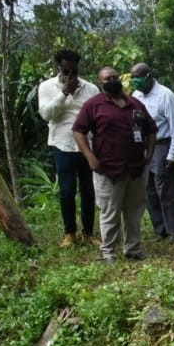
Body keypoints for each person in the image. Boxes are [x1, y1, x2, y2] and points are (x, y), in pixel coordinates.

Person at [72, 66, 157, 263]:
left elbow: (151, 129)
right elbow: (78, 131)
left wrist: (149, 154)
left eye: (115, 77)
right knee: (110, 211)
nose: (113, 80)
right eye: (107, 79)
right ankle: (108, 251)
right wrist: (90, 157)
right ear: (100, 84)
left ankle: (133, 248)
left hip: (136, 167)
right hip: (108, 169)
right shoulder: (93, 105)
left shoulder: (135, 103)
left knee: (134, 211)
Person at [37, 48, 100, 248]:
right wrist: (64, 92)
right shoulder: (47, 87)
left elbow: (98, 117)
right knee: (66, 191)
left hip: (86, 146)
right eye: (66, 72)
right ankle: (70, 233)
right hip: (62, 145)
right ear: (59, 69)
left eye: (74, 71)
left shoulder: (91, 89)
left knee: (88, 190)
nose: (70, 76)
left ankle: (89, 233)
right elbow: (46, 115)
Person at [130, 63, 174, 242]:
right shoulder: (136, 95)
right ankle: (160, 230)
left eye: (138, 76)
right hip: (143, 146)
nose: (135, 80)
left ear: (148, 75)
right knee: (149, 190)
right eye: (132, 77)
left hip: (163, 144)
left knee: (166, 191)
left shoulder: (165, 95)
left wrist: (173, 155)